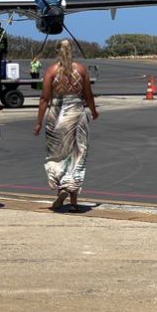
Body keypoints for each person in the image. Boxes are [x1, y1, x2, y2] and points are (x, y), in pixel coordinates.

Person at [33, 40, 98, 212]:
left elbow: (44, 99)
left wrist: (39, 122)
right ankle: (74, 201)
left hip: (57, 114)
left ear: (57, 52)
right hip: (76, 112)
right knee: (77, 154)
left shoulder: (52, 71)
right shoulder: (81, 70)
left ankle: (62, 188)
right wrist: (93, 111)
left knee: (57, 154)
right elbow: (88, 95)